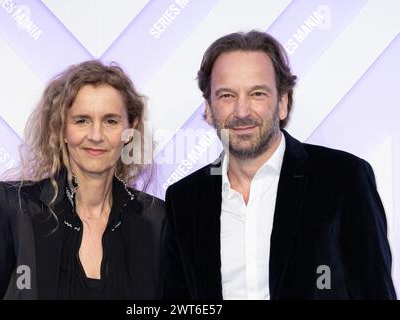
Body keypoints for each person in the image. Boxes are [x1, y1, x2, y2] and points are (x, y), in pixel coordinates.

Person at [162, 30, 397, 299]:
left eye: (257, 94)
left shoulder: (343, 179)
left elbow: (374, 291)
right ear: (208, 108)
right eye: (226, 95)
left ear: (283, 103)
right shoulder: (184, 199)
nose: (241, 111)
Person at [0, 60, 165, 299]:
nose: (96, 135)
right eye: (82, 120)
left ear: (130, 128)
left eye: (111, 121)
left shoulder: (156, 220)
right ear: (62, 128)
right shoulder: (15, 207)